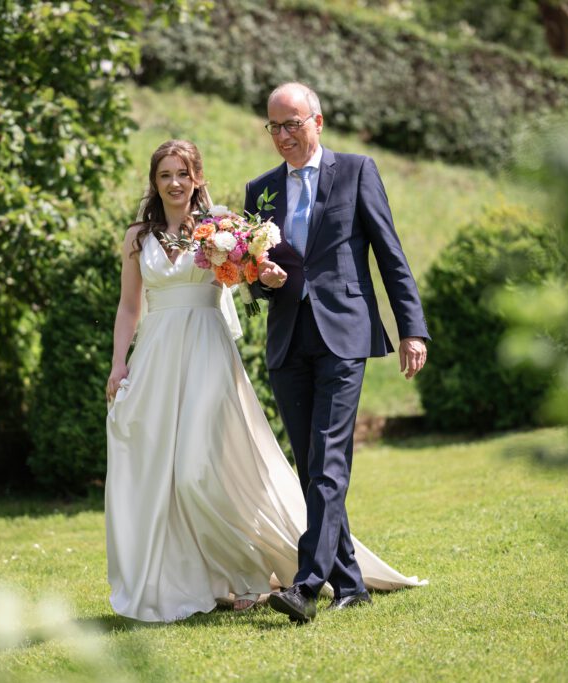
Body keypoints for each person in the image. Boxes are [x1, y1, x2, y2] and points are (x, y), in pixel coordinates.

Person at [104, 139, 425, 624]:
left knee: (196, 471)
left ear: (197, 178)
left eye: (183, 173)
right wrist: (118, 363)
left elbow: (248, 276)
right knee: (161, 473)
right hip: (156, 357)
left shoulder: (222, 226)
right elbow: (129, 306)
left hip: (207, 351)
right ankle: (201, 578)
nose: (174, 182)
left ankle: (262, 570)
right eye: (165, 174)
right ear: (154, 180)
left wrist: (259, 271)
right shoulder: (136, 236)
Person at [245, 82, 430, 623]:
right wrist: (263, 278)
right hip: (288, 339)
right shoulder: (262, 191)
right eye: (274, 126)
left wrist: (412, 329)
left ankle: (305, 585)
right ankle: (351, 582)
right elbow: (255, 274)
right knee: (312, 467)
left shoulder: (356, 171)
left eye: (292, 124)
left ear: (318, 122)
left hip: (344, 334)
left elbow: (390, 255)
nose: (283, 135)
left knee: (327, 460)